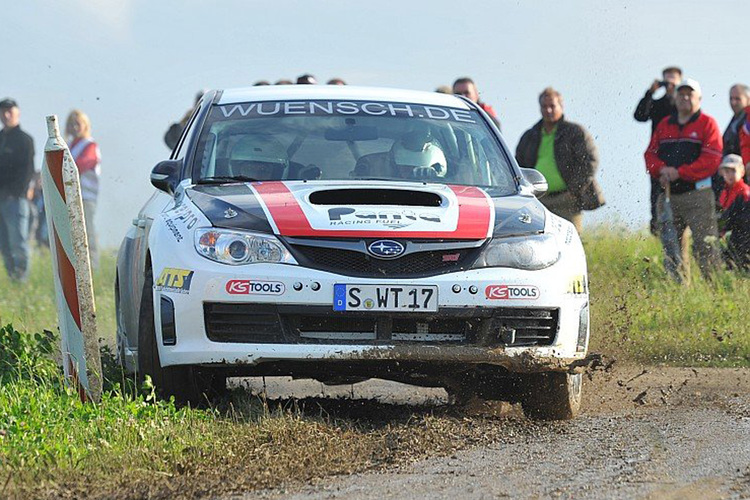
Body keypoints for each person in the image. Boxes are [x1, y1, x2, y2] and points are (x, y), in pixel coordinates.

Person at [645, 78, 723, 281]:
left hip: (698, 195)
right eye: (681, 94)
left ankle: (714, 293)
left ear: (699, 98)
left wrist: (680, 172)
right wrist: (661, 170)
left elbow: (711, 158)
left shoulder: (707, 123)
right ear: (675, 98)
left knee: (705, 246)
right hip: (669, 195)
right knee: (671, 248)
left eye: (690, 94)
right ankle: (679, 294)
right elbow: (650, 154)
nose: (685, 98)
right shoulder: (665, 124)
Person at [515, 87, 604, 233]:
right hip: (538, 201)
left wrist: (574, 190)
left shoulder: (575, 132)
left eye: (552, 106)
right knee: (539, 243)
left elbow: (590, 161)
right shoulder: (530, 135)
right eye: (544, 106)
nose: (548, 110)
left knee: (571, 243)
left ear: (561, 106)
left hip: (567, 200)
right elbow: (519, 166)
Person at [634, 66, 682, 234]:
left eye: (673, 79)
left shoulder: (683, 104)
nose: (669, 82)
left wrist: (676, 94)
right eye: (666, 78)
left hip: (680, 158)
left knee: (679, 198)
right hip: (659, 157)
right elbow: (640, 116)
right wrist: (650, 93)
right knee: (656, 198)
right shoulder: (658, 103)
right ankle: (657, 231)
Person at [0, 98, 34, 282]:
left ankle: (21, 280)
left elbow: (27, 171)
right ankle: (12, 276)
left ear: (17, 113)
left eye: (9, 111)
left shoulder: (25, 140)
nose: (6, 115)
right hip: (0, 199)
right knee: (4, 244)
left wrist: (15, 193)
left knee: (18, 241)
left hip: (15, 200)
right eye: (3, 111)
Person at [66, 110, 101, 268]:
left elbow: (80, 165)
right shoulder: (70, 146)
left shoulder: (90, 145)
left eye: (78, 123)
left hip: (86, 196)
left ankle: (93, 267)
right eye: (71, 124)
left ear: (85, 125)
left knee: (87, 233)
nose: (74, 127)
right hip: (71, 196)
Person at [717, 154, 750, 270]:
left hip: (741, 236)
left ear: (741, 171)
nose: (729, 175)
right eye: (726, 171)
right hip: (730, 234)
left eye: (733, 171)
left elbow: (743, 220)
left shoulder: (745, 193)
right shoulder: (724, 191)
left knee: (740, 264)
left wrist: (724, 227)